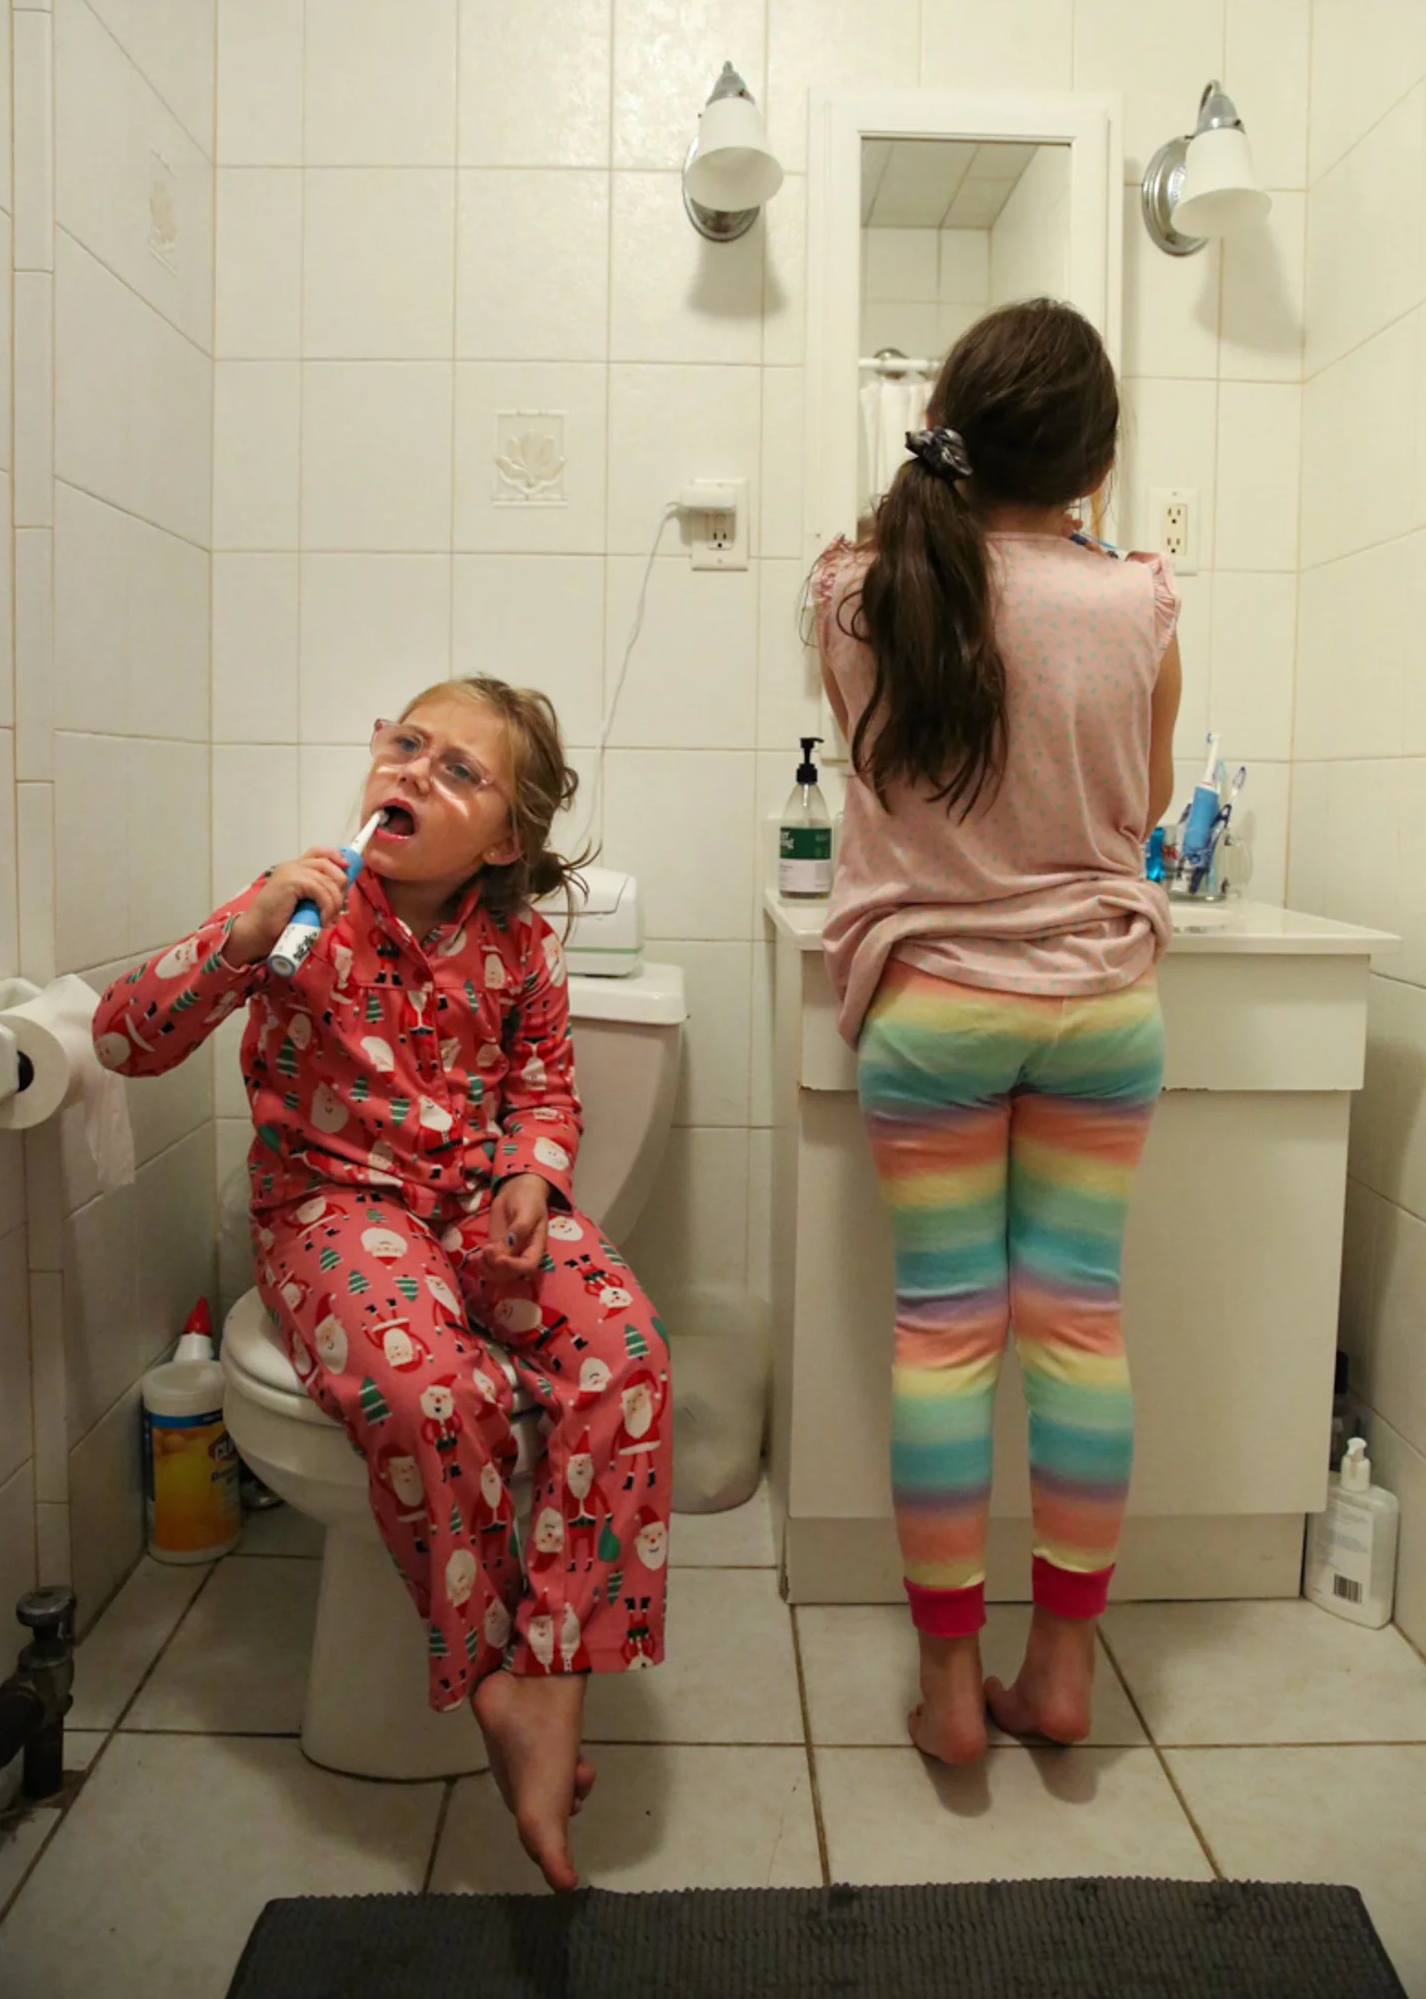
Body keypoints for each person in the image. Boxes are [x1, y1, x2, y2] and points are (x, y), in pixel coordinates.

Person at [94, 675, 671, 1889]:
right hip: (335, 1209)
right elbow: (120, 1039)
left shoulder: (518, 946)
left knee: (624, 1350)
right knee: (437, 1392)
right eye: (406, 745)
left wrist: (535, 1174)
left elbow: (548, 1084)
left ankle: (557, 1671)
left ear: (504, 839)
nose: (412, 771)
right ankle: (494, 1682)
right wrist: (240, 934)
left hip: (478, 1206)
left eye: (457, 769)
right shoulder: (305, 911)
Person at [811, 300, 1181, 1766]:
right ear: (1092, 463)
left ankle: (950, 1694)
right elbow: (1139, 809)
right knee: (1076, 1331)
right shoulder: (1139, 596)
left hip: (933, 1009)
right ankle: (1065, 1672)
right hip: (1098, 1007)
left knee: (943, 1341)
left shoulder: (852, 591)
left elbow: (887, 766)